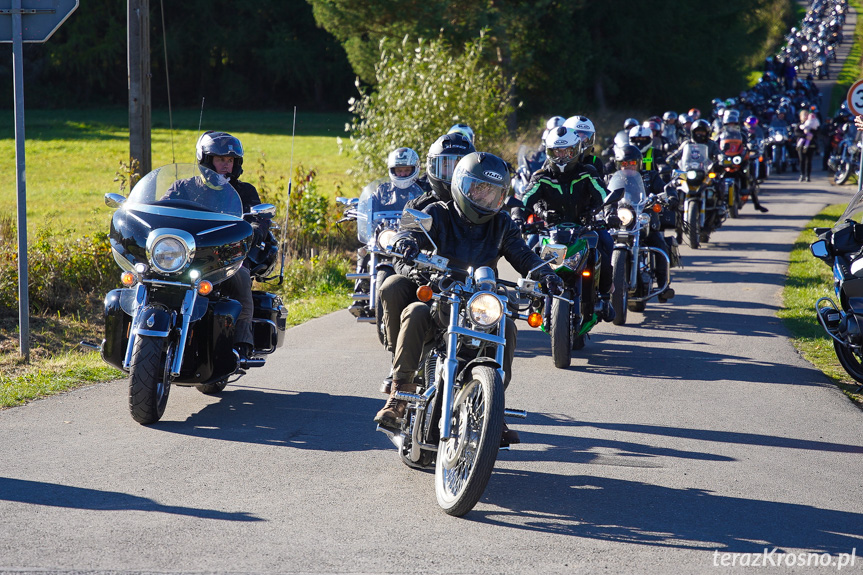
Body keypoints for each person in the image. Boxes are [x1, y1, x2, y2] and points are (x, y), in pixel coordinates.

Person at [375, 152, 563, 446]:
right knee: (415, 311)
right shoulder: (438, 213)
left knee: (508, 328)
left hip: (479, 303)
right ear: (463, 186)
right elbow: (412, 232)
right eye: (480, 189)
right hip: (441, 295)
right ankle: (399, 394)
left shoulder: (501, 224)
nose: (486, 198)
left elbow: (523, 254)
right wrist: (407, 242)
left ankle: (492, 407)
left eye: (494, 193)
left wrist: (545, 274)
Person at [163, 131, 263, 359]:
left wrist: (254, 229)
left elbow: (259, 220)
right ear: (207, 160)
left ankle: (242, 344)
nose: (226, 166)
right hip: (186, 256)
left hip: (229, 257)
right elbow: (162, 211)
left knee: (242, 283)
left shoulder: (245, 192)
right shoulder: (183, 188)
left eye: (230, 161)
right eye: (220, 160)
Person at [514, 126, 618, 322]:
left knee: (602, 253)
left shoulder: (587, 172)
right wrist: (517, 218)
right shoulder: (541, 176)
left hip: (583, 229)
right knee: (529, 253)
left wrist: (609, 212)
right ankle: (534, 297)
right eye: (557, 152)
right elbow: (523, 200)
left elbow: (604, 196)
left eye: (567, 151)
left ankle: (604, 297)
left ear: (576, 150)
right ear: (549, 152)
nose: (561, 156)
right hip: (550, 232)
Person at [348, 147, 424, 318]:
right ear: (392, 171)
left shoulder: (422, 191)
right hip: (386, 235)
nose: (403, 174)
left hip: (411, 237)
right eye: (399, 170)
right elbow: (369, 204)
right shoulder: (382, 191)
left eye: (406, 170)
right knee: (364, 250)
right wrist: (357, 210)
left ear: (415, 169)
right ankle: (360, 293)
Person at [613, 145, 677, 302]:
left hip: (644, 221)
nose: (628, 166)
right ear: (618, 164)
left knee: (659, 244)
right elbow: (602, 192)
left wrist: (670, 196)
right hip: (620, 221)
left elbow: (664, 189)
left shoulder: (651, 176)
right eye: (624, 163)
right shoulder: (612, 178)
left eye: (632, 163)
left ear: (639, 163)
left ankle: (663, 286)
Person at [406, 132, 475, 212]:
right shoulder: (417, 208)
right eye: (447, 166)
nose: (454, 173)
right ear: (433, 168)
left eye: (460, 168)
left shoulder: (481, 204)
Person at [797, 112, 820, 182]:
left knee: (809, 161)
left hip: (811, 145)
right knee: (802, 160)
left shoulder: (812, 123)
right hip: (801, 145)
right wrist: (805, 136)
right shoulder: (799, 125)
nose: (805, 117)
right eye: (804, 115)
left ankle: (808, 176)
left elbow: (817, 131)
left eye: (806, 115)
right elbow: (796, 133)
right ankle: (802, 174)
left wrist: (811, 134)